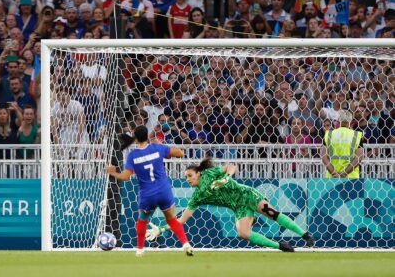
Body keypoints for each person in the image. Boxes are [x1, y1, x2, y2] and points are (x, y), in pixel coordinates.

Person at [146, 158, 315, 252]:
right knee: (243, 233)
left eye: (190, 175)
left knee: (271, 213)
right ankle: (281, 246)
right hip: (238, 207)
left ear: (199, 173)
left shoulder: (210, 173)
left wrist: (226, 177)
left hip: (246, 195)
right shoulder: (197, 197)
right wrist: (160, 229)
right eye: (186, 178)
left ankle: (305, 234)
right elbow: (181, 220)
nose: (188, 180)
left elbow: (231, 167)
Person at [106, 125, 193, 257]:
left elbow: (125, 177)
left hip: (147, 194)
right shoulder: (157, 148)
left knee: (142, 220)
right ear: (147, 136)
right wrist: (163, 145)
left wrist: (113, 173)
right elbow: (180, 153)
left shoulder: (133, 156)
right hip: (164, 191)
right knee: (172, 220)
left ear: (135, 138)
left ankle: (140, 249)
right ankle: (186, 244)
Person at [321, 110, 364, 179]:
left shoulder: (329, 134)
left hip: (332, 178)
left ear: (338, 120)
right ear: (351, 121)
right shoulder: (356, 135)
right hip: (351, 177)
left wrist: (334, 173)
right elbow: (359, 157)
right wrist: (344, 173)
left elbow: (324, 157)